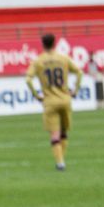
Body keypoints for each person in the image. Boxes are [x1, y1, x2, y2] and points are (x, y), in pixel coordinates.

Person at [25, 33, 83, 171]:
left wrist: (36, 95)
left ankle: (60, 162)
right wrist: (75, 90)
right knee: (64, 133)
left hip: (50, 101)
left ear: (42, 44)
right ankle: (62, 159)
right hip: (65, 99)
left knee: (54, 134)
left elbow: (28, 79)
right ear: (55, 43)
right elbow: (79, 72)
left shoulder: (38, 61)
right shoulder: (63, 58)